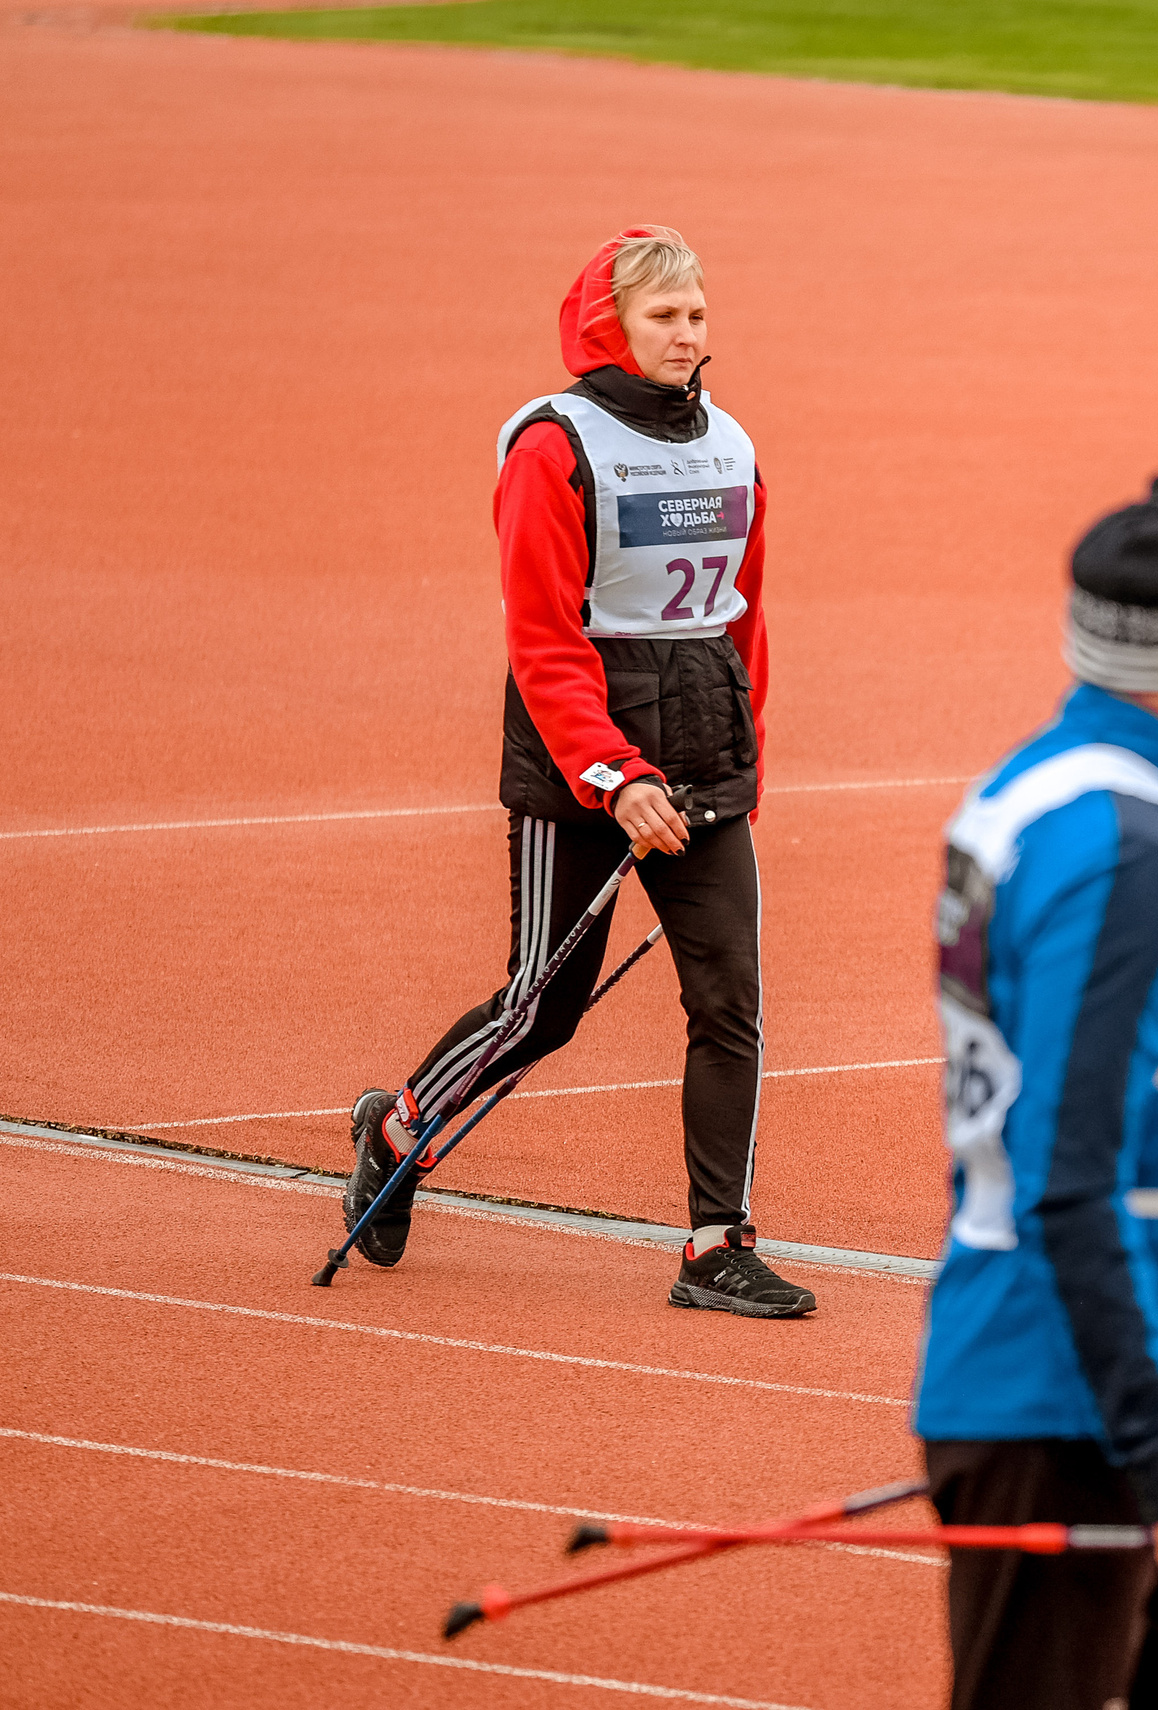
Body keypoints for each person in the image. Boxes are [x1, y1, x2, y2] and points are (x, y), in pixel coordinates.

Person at [343, 226, 815, 1319]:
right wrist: (611, 774)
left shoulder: (730, 446)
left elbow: (740, 621)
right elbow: (545, 638)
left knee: (729, 1002)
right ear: (609, 326)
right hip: (583, 770)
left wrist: (744, 763)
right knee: (539, 1011)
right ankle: (397, 1126)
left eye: (697, 314)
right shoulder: (554, 449)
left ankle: (714, 1246)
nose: (688, 334)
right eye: (664, 317)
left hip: (702, 763)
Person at [915, 474, 1158, 1710]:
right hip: (1075, 1407)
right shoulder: (1128, 849)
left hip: (1117, 1397)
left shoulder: (1044, 793)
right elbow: (1069, 1177)